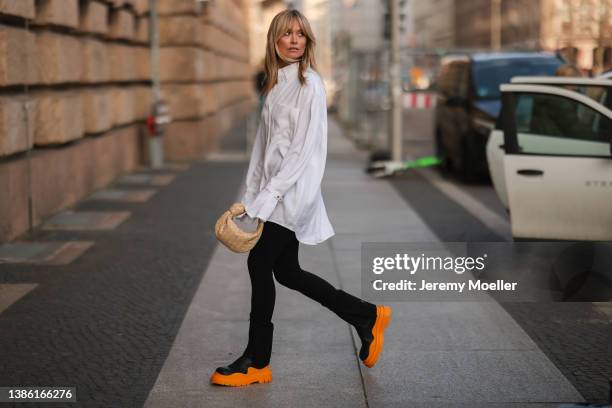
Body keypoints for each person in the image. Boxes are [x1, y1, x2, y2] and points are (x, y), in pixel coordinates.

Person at [210, 9, 393, 387]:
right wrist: (251, 195)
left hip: (292, 195)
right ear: (274, 39)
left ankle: (257, 361)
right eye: (286, 34)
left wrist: (269, 196)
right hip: (273, 194)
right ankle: (366, 315)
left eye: (301, 34)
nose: (294, 40)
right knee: (286, 272)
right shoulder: (276, 85)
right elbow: (263, 149)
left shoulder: (310, 84)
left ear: (308, 41)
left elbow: (301, 151)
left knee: (260, 266)